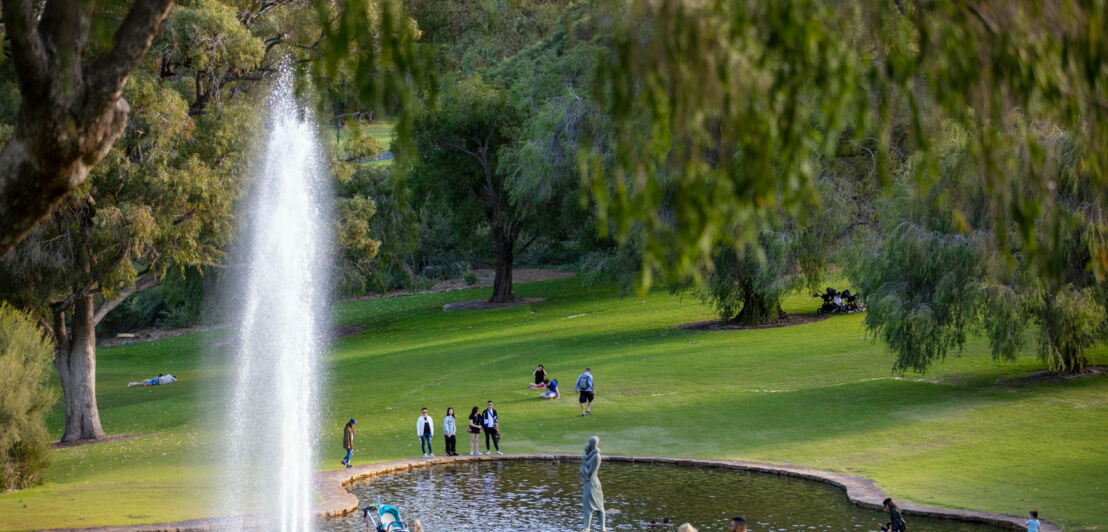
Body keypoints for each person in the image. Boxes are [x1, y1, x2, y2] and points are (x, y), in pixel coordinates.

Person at [581, 436, 605, 532]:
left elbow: (591, 472)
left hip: (592, 482)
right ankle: (587, 527)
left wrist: (583, 465)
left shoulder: (596, 456)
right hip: (588, 482)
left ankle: (602, 528)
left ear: (593, 443)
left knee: (598, 506)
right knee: (587, 505)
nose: (588, 444)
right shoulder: (591, 454)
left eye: (590, 442)